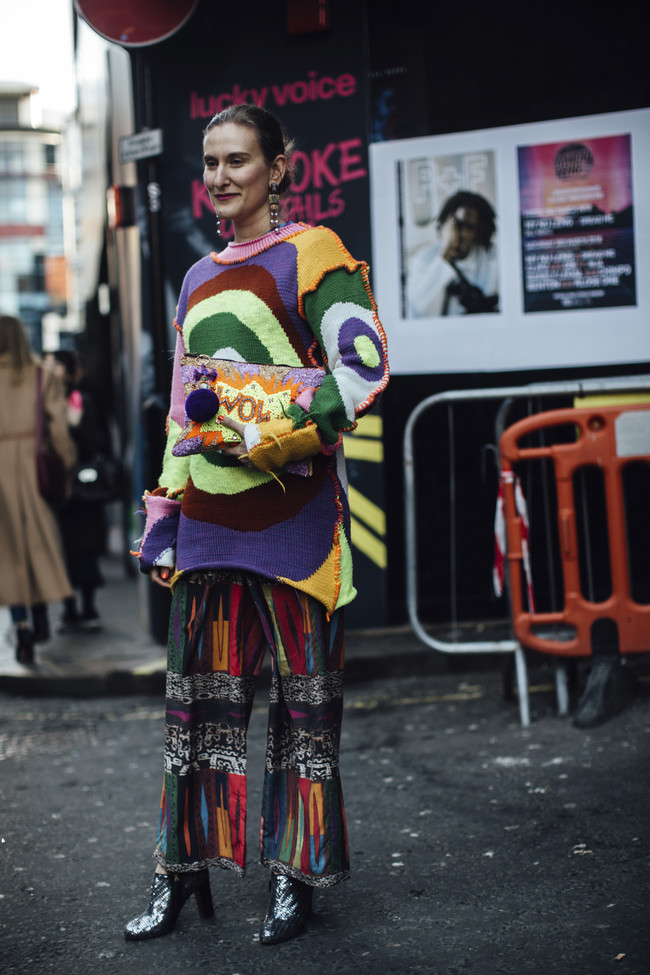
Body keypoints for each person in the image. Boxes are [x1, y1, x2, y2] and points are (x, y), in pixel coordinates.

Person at [125, 104, 389, 946]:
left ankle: (297, 877)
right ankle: (180, 874)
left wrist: (279, 427)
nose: (220, 177)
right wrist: (163, 516)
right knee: (195, 714)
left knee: (305, 712)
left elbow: (366, 363)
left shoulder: (315, 253)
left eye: (238, 160)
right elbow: (178, 412)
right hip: (205, 525)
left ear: (278, 168)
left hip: (293, 529)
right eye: (209, 162)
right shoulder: (197, 279)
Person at [0, 314, 77, 664]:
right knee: (40, 545)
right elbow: (58, 429)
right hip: (33, 466)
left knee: (8, 555)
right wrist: (66, 463)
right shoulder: (40, 375)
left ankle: (21, 628)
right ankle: (43, 614)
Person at [50, 349, 111, 631]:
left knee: (85, 548)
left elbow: (97, 441)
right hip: (56, 488)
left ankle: (87, 607)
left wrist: (74, 425)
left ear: (73, 372)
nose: (50, 371)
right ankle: (69, 609)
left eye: (57, 366)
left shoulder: (82, 400)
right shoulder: (44, 403)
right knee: (61, 550)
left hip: (83, 489)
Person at [407, 190, 499, 317]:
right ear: (445, 224)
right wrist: (447, 251)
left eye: (470, 227)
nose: (464, 234)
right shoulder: (424, 259)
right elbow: (415, 306)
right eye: (458, 225)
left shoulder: (491, 259)